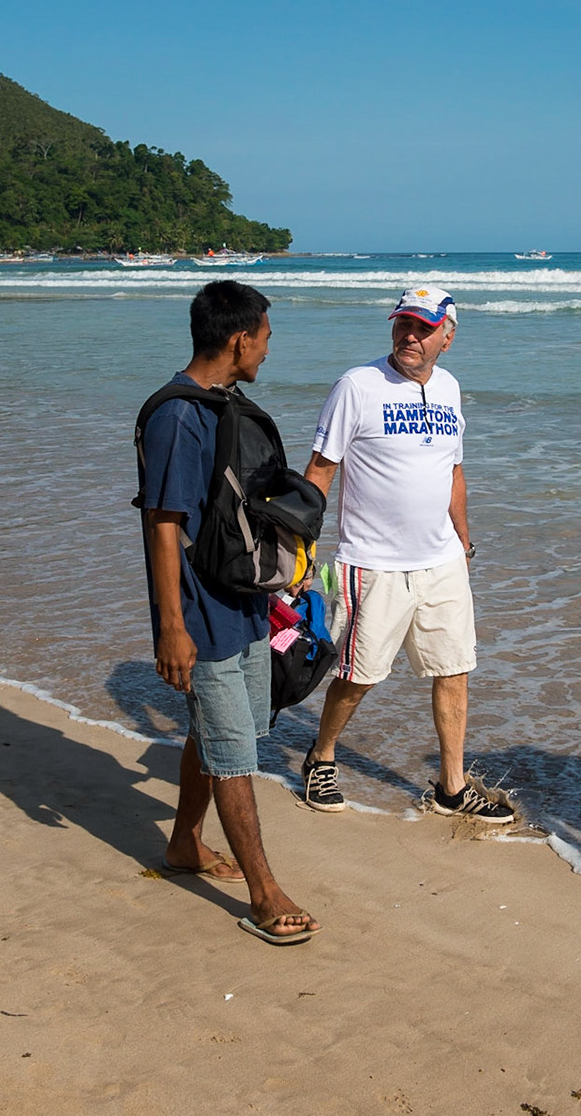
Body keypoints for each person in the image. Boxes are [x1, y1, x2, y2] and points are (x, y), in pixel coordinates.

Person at [137, 280, 320, 945]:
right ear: (240, 339)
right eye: (266, 338)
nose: (269, 351)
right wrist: (172, 627)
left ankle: (185, 840)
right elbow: (163, 525)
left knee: (216, 730)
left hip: (240, 603)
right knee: (237, 750)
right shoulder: (178, 417)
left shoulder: (223, 404)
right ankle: (264, 892)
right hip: (201, 615)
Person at [297, 287, 514, 823]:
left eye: (422, 328)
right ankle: (320, 757)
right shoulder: (358, 386)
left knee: (455, 668)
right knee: (361, 673)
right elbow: (321, 470)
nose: (409, 336)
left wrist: (463, 541)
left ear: (448, 336)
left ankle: (451, 786)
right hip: (372, 561)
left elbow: (454, 472)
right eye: (402, 325)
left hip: (441, 560)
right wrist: (300, 552)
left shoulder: (450, 389)